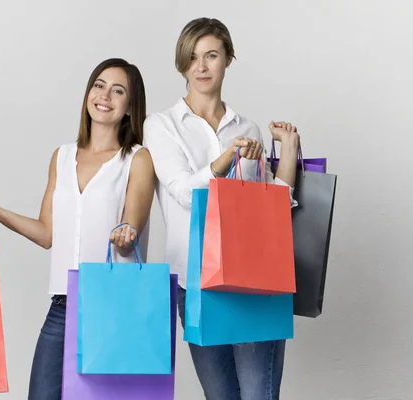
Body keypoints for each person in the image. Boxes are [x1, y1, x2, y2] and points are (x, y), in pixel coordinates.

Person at [0, 58, 155, 400]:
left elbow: (129, 232)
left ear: (130, 108)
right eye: (99, 85)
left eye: (118, 90)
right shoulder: (62, 156)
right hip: (62, 304)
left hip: (112, 307)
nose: (105, 95)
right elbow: (47, 233)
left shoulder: (137, 159)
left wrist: (125, 235)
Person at [143, 18, 299, 400]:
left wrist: (289, 149)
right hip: (193, 280)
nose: (201, 67)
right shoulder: (161, 126)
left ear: (228, 58)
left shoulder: (247, 128)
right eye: (192, 58)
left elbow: (272, 207)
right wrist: (225, 160)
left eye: (211, 55)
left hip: (252, 281)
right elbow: (181, 192)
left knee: (258, 395)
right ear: (182, 64)